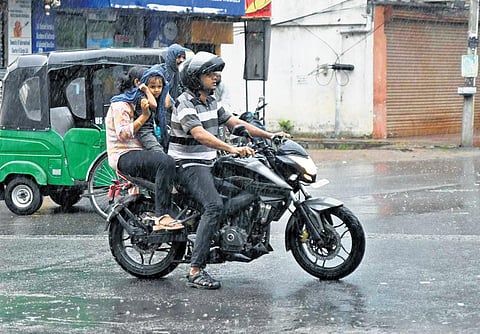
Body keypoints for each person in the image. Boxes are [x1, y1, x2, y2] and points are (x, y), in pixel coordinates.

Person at [169, 52, 289, 289]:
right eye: (210, 73)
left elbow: (235, 123)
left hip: (209, 162)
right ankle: (195, 270)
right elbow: (199, 133)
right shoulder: (184, 102)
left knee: (248, 187)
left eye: (216, 73)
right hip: (188, 165)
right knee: (213, 207)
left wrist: (270, 135)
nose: (216, 77)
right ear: (195, 77)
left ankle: (226, 236)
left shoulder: (211, 101)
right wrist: (231, 149)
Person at [105, 70, 183, 231]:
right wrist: (144, 116)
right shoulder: (121, 104)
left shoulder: (137, 102)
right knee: (165, 162)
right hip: (124, 154)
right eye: (150, 86)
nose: (154, 90)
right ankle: (162, 215)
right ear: (138, 84)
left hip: (138, 151)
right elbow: (123, 134)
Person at [133, 65, 172, 152]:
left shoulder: (159, 98)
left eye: (159, 87)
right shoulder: (142, 96)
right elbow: (154, 105)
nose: (157, 90)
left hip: (154, 128)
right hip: (144, 130)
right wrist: (146, 90)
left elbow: (167, 104)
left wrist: (166, 88)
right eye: (152, 87)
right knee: (158, 152)